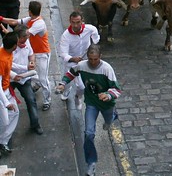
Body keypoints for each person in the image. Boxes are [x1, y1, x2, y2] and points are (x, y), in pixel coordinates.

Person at [55, 44, 121, 176]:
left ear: (100, 57)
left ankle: (112, 117)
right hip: (91, 103)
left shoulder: (107, 69)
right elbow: (71, 73)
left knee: (108, 120)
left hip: (106, 104)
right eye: (90, 59)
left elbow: (117, 89)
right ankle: (91, 163)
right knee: (89, 133)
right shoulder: (82, 65)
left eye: (95, 59)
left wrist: (108, 95)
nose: (92, 62)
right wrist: (63, 83)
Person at [2, 1, 52, 110]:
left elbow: (22, 36)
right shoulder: (30, 19)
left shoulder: (39, 24)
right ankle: (38, 85)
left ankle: (47, 100)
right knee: (34, 74)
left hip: (42, 53)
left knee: (43, 78)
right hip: (33, 52)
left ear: (29, 11)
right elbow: (15, 22)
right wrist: (1, 19)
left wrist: (7, 33)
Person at [58, 11, 100, 110]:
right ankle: (66, 91)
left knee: (81, 86)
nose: (75, 25)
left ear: (82, 21)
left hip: (85, 61)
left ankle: (78, 96)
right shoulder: (65, 36)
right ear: (70, 21)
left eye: (78, 22)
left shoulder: (90, 29)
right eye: (73, 22)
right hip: (71, 63)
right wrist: (73, 58)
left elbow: (96, 36)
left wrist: (93, 46)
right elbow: (63, 53)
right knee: (67, 81)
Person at [9, 25, 43, 135]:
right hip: (10, 79)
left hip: (24, 78)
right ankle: (7, 129)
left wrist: (32, 61)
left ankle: (35, 124)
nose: (27, 37)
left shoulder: (26, 42)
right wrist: (25, 68)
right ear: (17, 37)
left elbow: (31, 54)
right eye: (24, 36)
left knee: (31, 100)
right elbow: (8, 63)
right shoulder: (9, 46)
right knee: (7, 104)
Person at [0, 32, 19, 155]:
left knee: (15, 113)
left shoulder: (7, 53)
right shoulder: (1, 60)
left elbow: (8, 70)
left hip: (6, 90)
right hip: (2, 94)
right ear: (14, 46)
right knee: (5, 121)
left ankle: (3, 141)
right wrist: (6, 103)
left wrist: (14, 76)